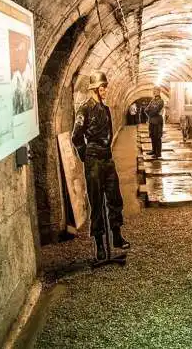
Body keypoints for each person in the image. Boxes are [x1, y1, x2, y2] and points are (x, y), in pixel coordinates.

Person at [71, 71, 130, 260]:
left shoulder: (105, 109)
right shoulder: (85, 109)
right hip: (94, 159)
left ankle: (116, 236)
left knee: (114, 197)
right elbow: (76, 137)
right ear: (95, 89)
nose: (105, 91)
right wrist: (85, 156)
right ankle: (99, 245)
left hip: (107, 158)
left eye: (105, 88)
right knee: (96, 202)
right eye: (103, 88)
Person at [144, 87, 164, 158]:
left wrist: (151, 113)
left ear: (159, 92)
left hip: (157, 121)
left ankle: (158, 153)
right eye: (153, 91)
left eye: (155, 91)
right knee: (152, 136)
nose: (154, 92)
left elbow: (156, 110)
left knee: (157, 137)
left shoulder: (161, 101)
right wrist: (151, 113)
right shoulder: (152, 101)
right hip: (152, 121)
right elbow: (146, 110)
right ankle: (153, 150)